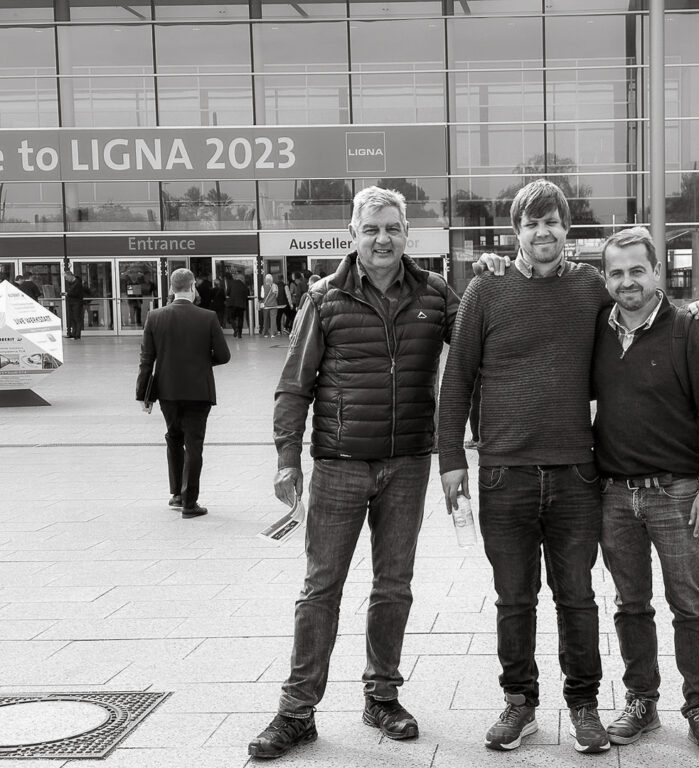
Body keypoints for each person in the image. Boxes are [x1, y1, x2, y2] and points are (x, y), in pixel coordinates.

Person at [437, 180, 699, 755]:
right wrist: (450, 460)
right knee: (513, 599)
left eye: (553, 222)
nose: (543, 232)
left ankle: (584, 704)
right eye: (531, 223)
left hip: (576, 475)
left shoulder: (591, 286)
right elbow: (457, 377)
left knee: (578, 598)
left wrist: (697, 313)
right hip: (504, 473)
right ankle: (519, 703)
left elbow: (642, 306)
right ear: (516, 231)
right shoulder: (485, 289)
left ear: (567, 229)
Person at [248, 187, 460, 760]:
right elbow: (294, 385)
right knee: (321, 588)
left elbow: (483, 340)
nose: (382, 239)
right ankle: (297, 711)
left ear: (407, 233)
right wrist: (286, 458)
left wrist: (496, 277)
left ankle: (382, 697)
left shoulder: (435, 294)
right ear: (353, 234)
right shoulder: (324, 298)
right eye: (371, 229)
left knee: (393, 586)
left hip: (408, 463)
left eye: (392, 228)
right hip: (339, 465)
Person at [593, 227, 699, 761]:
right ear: (605, 279)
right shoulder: (598, 330)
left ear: (657, 273)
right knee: (630, 605)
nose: (627, 281)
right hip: (615, 495)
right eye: (616, 272)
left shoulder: (688, 330)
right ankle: (641, 700)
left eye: (637, 270)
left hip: (677, 494)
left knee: (689, 605)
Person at [135, 268, 230, 519]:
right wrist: (201, 362)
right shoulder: (208, 316)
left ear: (171, 288)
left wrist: (143, 395)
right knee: (194, 444)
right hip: (199, 391)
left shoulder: (154, 317)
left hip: (168, 391)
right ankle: (190, 503)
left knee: (174, 438)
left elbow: (146, 359)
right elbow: (223, 355)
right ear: (192, 287)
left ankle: (177, 494)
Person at [225, 271, 249, 338]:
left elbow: (227, 293)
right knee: (240, 319)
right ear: (242, 279)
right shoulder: (244, 286)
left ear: (237, 278)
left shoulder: (231, 283)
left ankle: (235, 329)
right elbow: (247, 295)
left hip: (232, 304)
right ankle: (239, 334)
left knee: (231, 318)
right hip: (241, 305)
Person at [64, 269, 85, 340]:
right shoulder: (72, 283)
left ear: (70, 276)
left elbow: (77, 293)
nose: (66, 279)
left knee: (77, 318)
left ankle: (77, 335)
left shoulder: (77, 283)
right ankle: (73, 333)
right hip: (72, 302)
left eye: (66, 277)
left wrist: (68, 294)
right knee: (72, 318)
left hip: (77, 303)